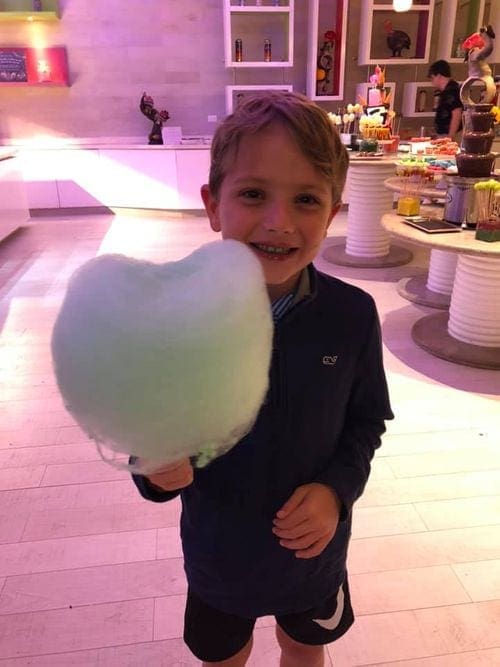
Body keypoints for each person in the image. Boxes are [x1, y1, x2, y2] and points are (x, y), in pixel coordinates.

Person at [131, 91, 393, 666]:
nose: (279, 222)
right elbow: (144, 432)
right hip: (219, 554)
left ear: (331, 211)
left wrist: (336, 491)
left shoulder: (350, 316)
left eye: (305, 199)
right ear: (213, 204)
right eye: (253, 194)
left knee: (305, 649)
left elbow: (367, 419)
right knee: (222, 657)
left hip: (313, 555)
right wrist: (153, 470)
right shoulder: (173, 321)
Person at [427, 59, 463, 139]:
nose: (432, 82)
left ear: (439, 76)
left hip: (450, 135)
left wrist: (450, 137)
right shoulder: (446, 91)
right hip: (444, 135)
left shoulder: (452, 90)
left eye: (432, 78)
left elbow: (457, 114)